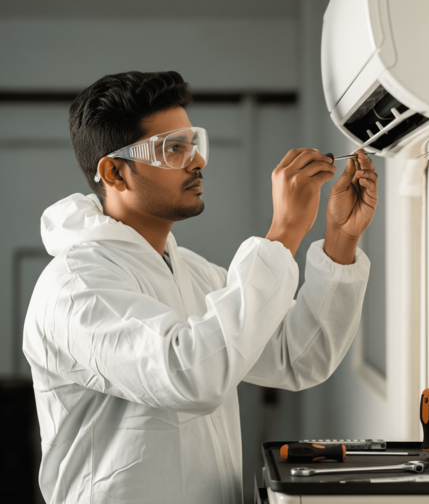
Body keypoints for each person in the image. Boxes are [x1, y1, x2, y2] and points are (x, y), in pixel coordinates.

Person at [23, 70, 378, 504]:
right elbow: (190, 376)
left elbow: (297, 358)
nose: (197, 160)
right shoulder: (76, 287)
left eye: (193, 143)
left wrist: (341, 239)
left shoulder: (190, 271)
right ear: (114, 172)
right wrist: (283, 231)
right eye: (173, 148)